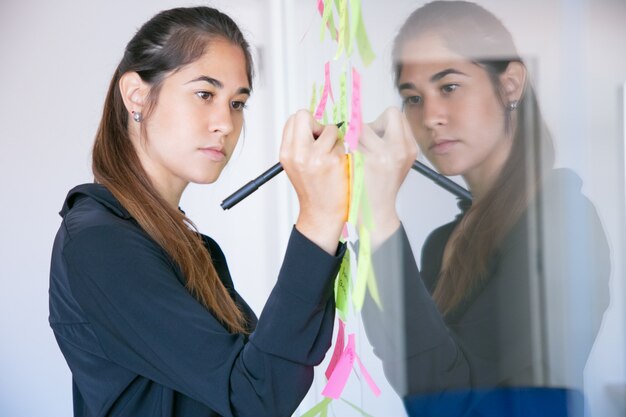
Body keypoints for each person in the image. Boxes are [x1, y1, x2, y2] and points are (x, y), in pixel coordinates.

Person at [48, 6, 348, 417]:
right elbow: (255, 397)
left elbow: (261, 374)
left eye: (238, 102)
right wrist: (317, 219)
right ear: (137, 95)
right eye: (205, 94)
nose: (225, 122)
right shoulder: (101, 241)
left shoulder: (182, 244)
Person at [358, 1, 610, 416]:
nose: (431, 116)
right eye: (413, 97)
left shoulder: (562, 221)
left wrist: (382, 212)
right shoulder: (443, 242)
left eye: (449, 86)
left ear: (510, 84)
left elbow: (446, 401)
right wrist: (364, 211)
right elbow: (406, 366)